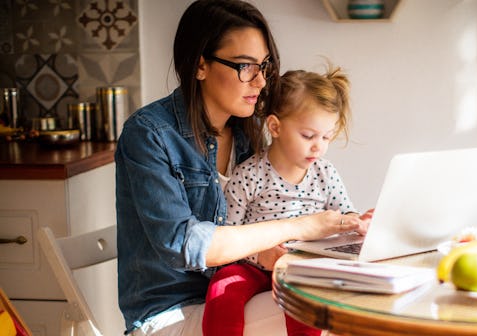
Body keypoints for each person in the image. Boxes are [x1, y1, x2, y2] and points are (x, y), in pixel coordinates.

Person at [115, 1, 363, 335]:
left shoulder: (248, 134)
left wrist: (353, 226)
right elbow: (186, 245)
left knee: (336, 299)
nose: (261, 82)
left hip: (239, 292)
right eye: (245, 66)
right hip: (171, 313)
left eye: (264, 66)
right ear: (200, 65)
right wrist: (300, 226)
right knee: (329, 312)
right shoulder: (149, 134)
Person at [202, 66, 372, 336]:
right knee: (223, 288)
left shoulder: (324, 173)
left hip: (303, 265)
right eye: (308, 136)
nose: (319, 146)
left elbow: (344, 214)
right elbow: (227, 236)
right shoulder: (249, 175)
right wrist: (260, 255)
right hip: (252, 267)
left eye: (326, 137)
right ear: (275, 126)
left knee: (307, 303)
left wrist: (359, 222)